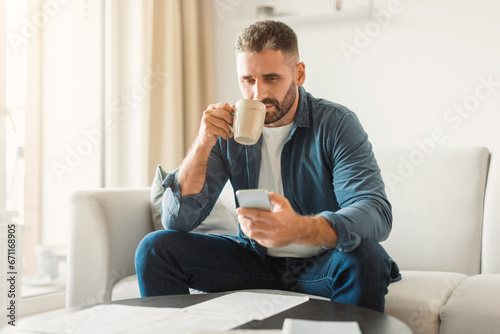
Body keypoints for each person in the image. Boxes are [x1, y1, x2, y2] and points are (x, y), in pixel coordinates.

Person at [135, 20, 400, 313]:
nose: (258, 94)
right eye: (248, 80)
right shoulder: (228, 130)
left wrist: (300, 229)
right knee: (155, 249)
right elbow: (178, 221)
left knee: (367, 256)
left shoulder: (336, 124)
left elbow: (374, 211)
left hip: (320, 262)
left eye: (271, 78)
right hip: (253, 259)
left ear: (299, 73)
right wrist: (202, 143)